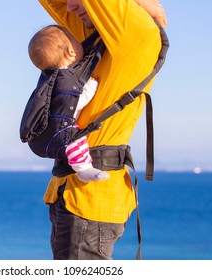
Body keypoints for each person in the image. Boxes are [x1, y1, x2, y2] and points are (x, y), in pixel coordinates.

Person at [38, 0, 167, 259]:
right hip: (76, 195)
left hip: (89, 200)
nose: (70, 7)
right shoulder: (96, 32)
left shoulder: (132, 28)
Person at [28, 25, 109, 182]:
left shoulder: (52, 78)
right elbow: (72, 104)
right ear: (71, 52)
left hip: (41, 137)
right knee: (75, 140)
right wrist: (91, 88)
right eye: (75, 40)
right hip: (58, 133)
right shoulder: (64, 80)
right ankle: (84, 169)